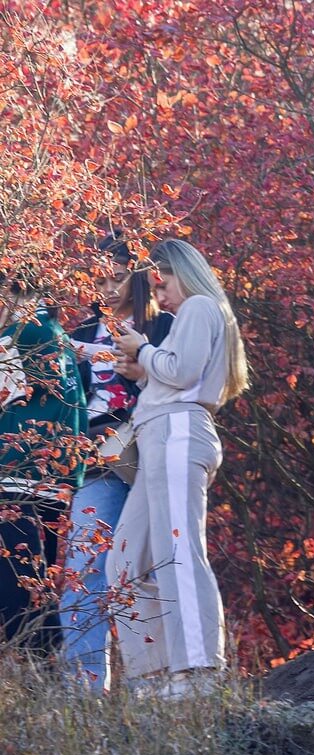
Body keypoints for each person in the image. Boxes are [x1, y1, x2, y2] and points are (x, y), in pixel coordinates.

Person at [108, 238, 249, 698]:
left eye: (162, 283)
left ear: (180, 272)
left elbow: (184, 372)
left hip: (177, 433)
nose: (160, 296)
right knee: (124, 561)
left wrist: (144, 350)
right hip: (159, 435)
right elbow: (178, 372)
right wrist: (143, 369)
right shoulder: (202, 314)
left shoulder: (201, 306)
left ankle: (198, 670)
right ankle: (152, 676)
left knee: (177, 550)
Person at [60, 231, 173, 692]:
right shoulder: (78, 335)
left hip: (152, 458)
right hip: (99, 464)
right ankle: (83, 696)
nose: (107, 288)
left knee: (149, 571)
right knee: (83, 572)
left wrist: (144, 373)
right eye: (98, 279)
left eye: (119, 277)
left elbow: (189, 385)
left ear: (140, 276)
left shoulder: (164, 326)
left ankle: (158, 691)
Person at [0, 273, 87, 653]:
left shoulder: (21, 333)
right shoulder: (54, 331)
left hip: (17, 474)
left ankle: (39, 681)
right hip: (52, 480)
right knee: (38, 584)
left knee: (17, 585)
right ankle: (46, 682)